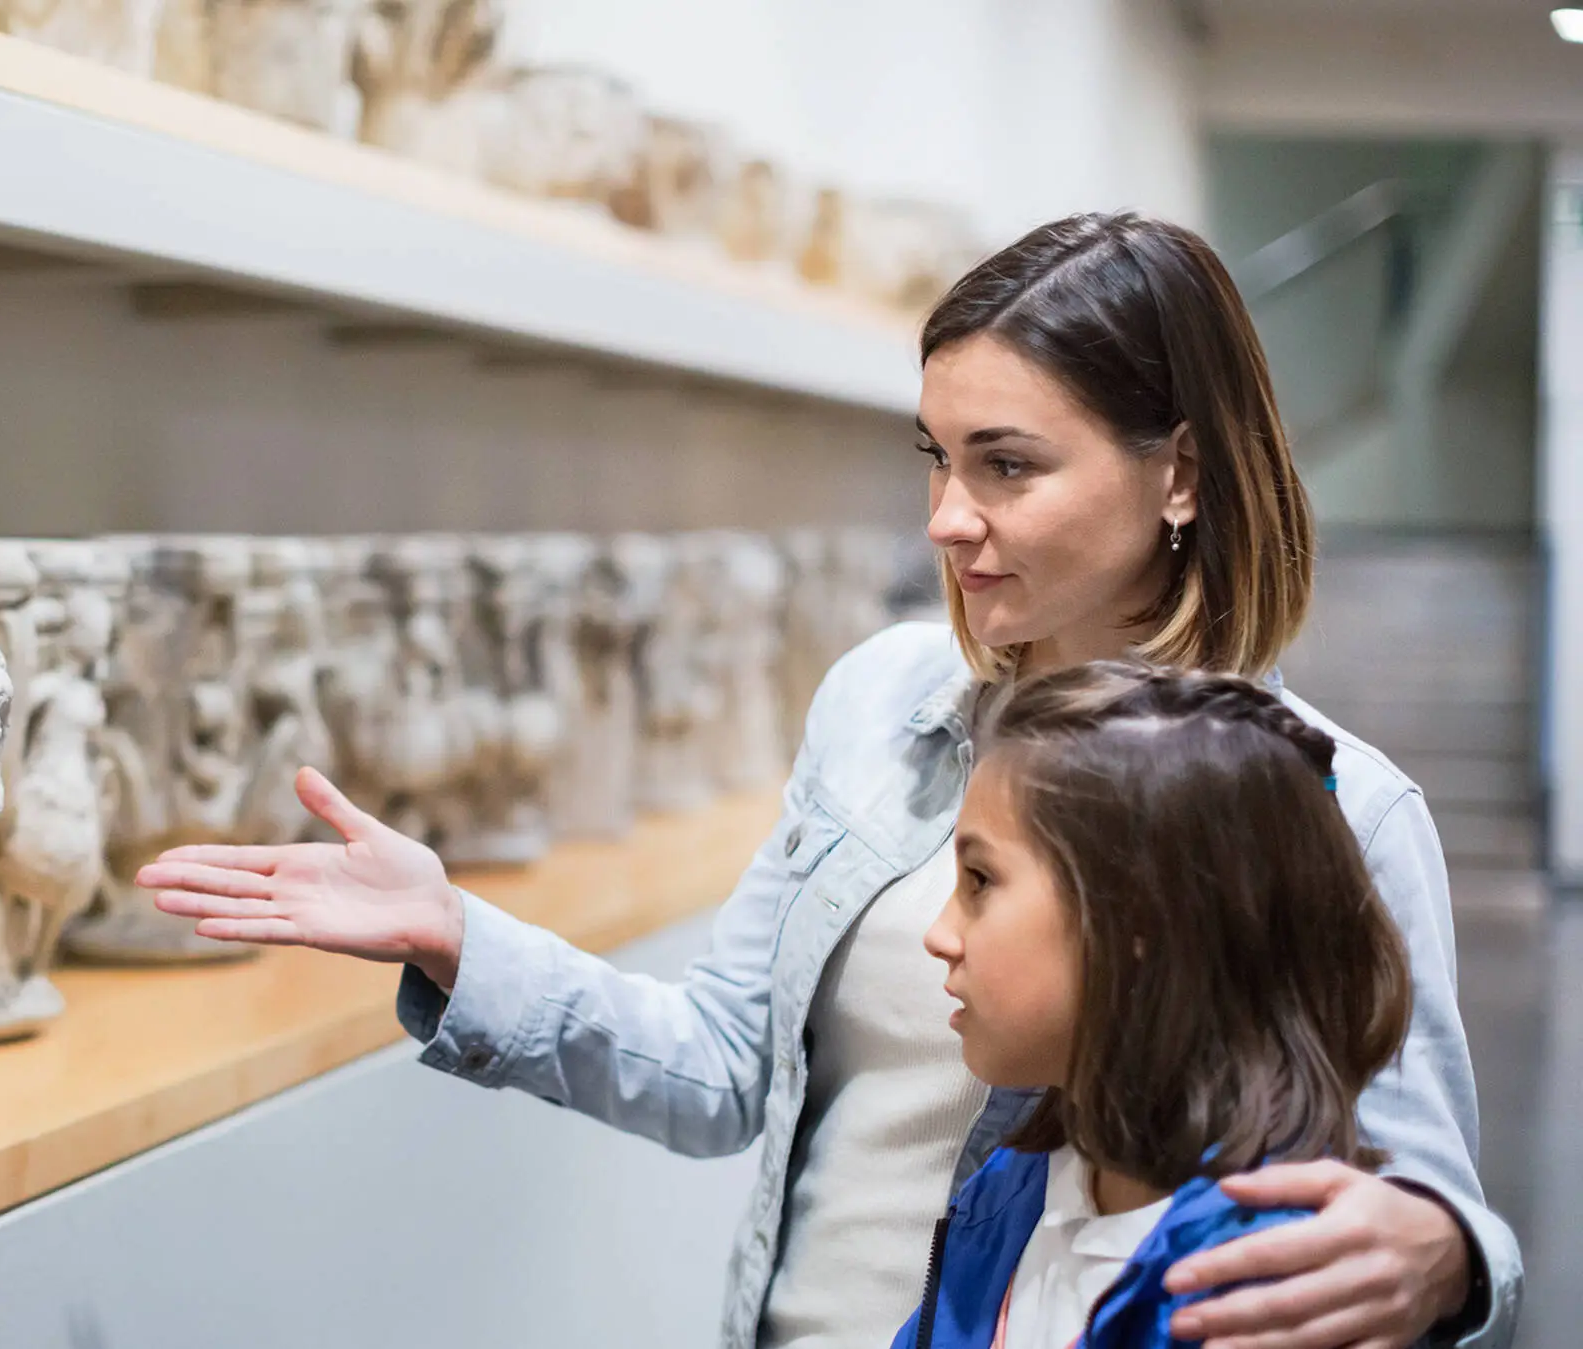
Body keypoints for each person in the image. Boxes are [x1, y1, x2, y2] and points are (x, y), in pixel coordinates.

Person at [135, 213, 1521, 1349]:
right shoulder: (883, 704)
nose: (946, 518)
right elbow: (723, 1067)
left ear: (1183, 475)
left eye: (1007, 466)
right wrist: (458, 934)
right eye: (936, 457)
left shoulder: (1336, 807)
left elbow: (1422, 1223)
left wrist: (1454, 1256)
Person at [892, 661, 1415, 1349]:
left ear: (1138, 919)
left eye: (981, 879)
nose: (939, 934)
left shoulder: (1269, 1291)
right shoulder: (1012, 1191)